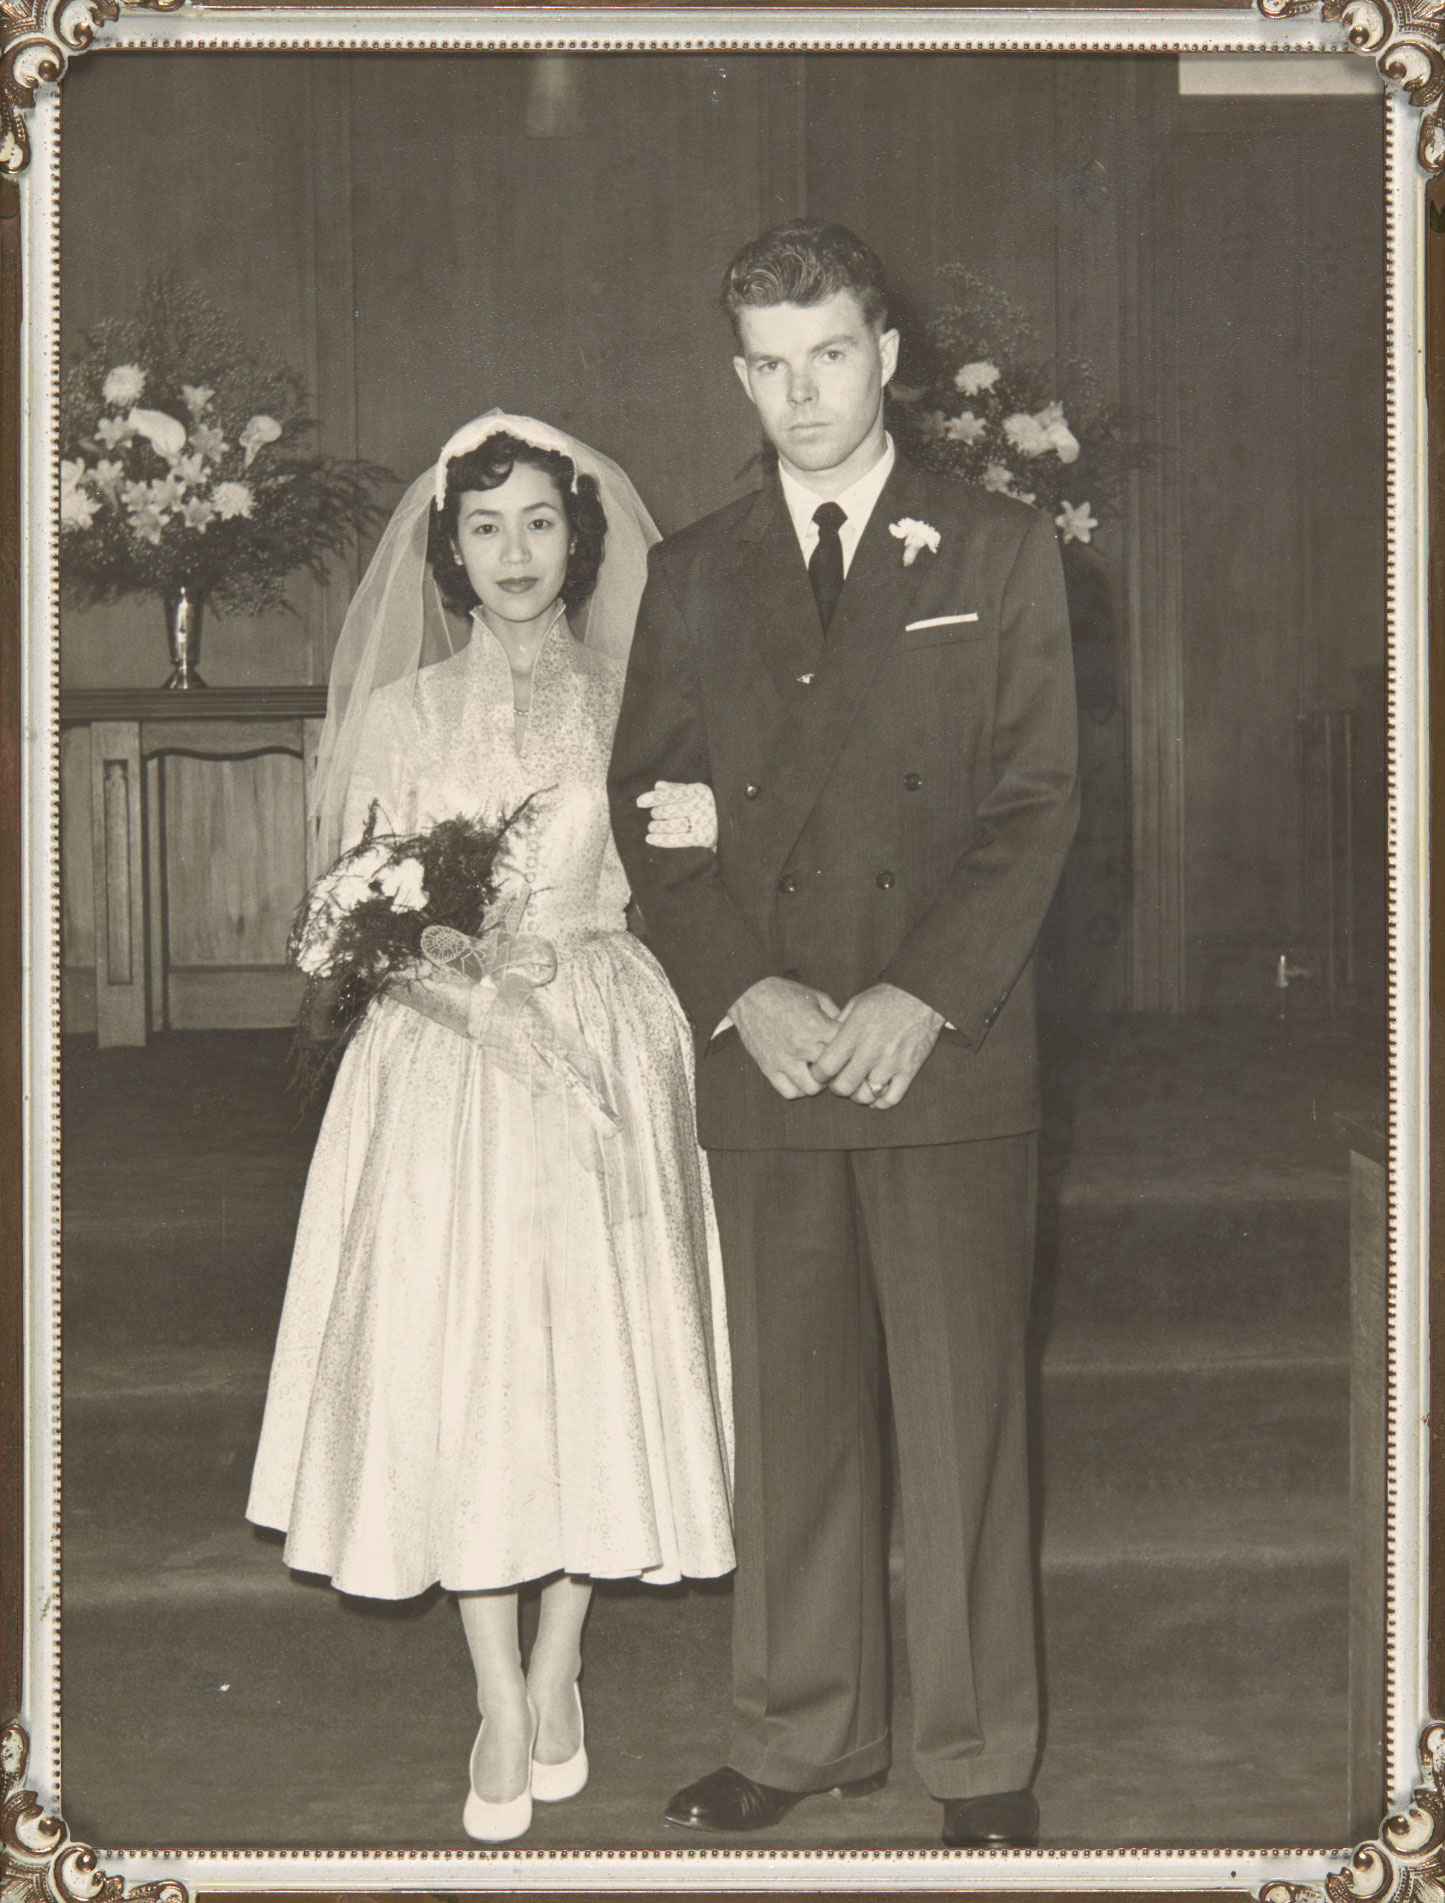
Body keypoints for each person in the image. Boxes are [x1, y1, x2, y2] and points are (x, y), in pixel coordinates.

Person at [608, 222, 1079, 1849]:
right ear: (736, 374)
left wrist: (917, 995)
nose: (799, 392)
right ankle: (797, 1735)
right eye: (766, 363)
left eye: (827, 354)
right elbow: (656, 820)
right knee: (793, 1420)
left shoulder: (1001, 552)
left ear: (885, 356)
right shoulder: (692, 572)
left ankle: (976, 1760)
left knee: (959, 1422)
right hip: (774, 1048)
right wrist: (744, 991)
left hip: (940, 1044)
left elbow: (1036, 806)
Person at [246, 413, 735, 1844]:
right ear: (448, 551)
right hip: (448, 1064)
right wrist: (470, 1006)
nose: (513, 553)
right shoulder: (400, 716)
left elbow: (685, 881)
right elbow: (343, 925)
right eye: (484, 528)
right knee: (464, 1368)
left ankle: (563, 1657)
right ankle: (497, 1697)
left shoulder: (639, 699)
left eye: (537, 523)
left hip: (603, 1036)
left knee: (590, 1354)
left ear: (578, 538)